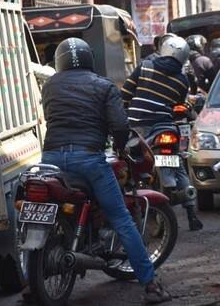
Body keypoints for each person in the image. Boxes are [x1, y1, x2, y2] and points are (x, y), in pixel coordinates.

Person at [40, 38, 171, 304]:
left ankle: (36, 281)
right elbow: (120, 127)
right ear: (90, 59)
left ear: (59, 61)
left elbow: (49, 115)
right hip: (88, 159)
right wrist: (121, 149)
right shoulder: (103, 86)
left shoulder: (51, 85)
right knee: (122, 218)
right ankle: (151, 285)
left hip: (50, 159)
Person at [122, 36, 204, 231]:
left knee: (129, 165)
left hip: (137, 127)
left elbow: (125, 94)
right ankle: (191, 213)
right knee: (176, 165)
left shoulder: (145, 67)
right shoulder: (182, 80)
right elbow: (178, 105)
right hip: (164, 129)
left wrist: (124, 111)